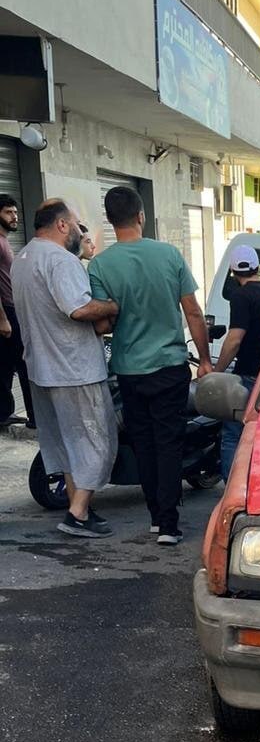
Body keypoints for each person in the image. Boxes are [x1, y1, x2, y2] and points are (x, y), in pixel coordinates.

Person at [88, 186, 211, 545]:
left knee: (143, 444)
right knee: (169, 442)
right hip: (170, 366)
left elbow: (102, 323)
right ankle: (169, 526)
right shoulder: (169, 254)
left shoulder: (100, 265)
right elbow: (192, 311)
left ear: (110, 221)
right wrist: (204, 360)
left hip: (128, 368)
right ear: (141, 215)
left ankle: (157, 517)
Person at [11, 200, 118, 537]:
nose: (79, 231)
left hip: (40, 368)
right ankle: (76, 513)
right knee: (97, 440)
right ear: (61, 225)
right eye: (77, 224)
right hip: (74, 369)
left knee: (67, 443)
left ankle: (82, 509)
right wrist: (113, 305)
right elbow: (78, 308)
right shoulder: (61, 260)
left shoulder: (24, 258)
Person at [210, 244, 260, 480]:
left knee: (233, 434)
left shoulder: (240, 296)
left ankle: (232, 489)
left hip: (248, 375)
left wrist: (217, 372)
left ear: (233, 272)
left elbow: (234, 339)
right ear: (258, 266)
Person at [0, 193, 34, 426]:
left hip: (13, 310)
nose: (15, 217)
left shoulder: (4, 241)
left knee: (8, 364)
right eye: (8, 212)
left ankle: (4, 413)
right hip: (7, 312)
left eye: (15, 212)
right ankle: (32, 416)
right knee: (20, 363)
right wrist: (3, 319)